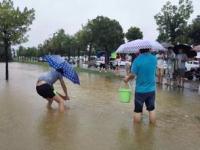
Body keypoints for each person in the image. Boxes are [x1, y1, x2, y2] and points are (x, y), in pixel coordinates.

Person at [124, 49, 157, 124]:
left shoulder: (137, 60)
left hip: (140, 90)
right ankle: (152, 130)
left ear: (140, 50)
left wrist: (127, 79)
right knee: (151, 109)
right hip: (151, 89)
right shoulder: (154, 58)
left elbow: (133, 75)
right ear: (148, 49)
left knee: (138, 111)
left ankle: (136, 133)